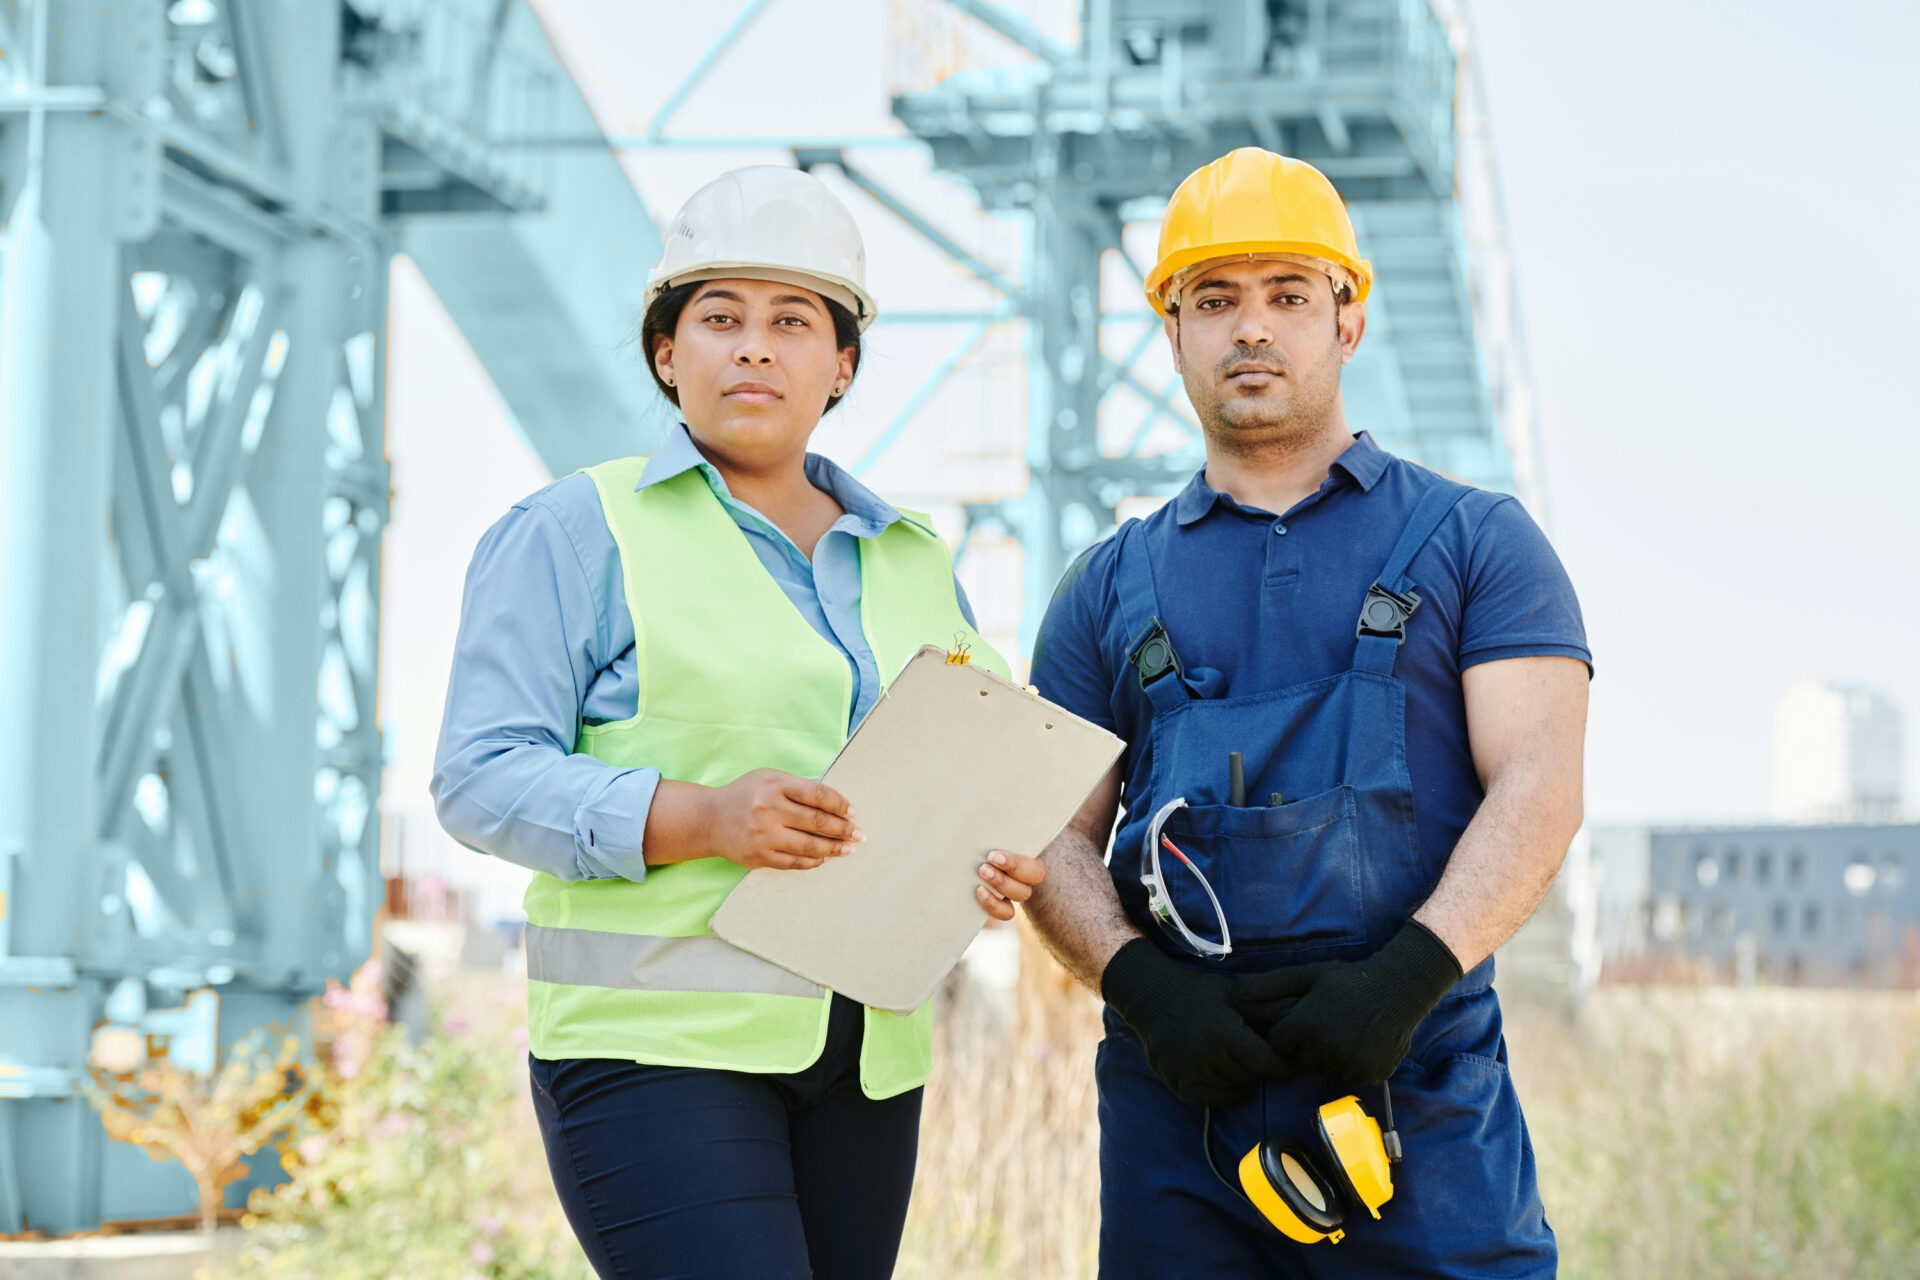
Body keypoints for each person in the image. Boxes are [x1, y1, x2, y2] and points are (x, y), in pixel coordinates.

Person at [430, 165, 1046, 1280]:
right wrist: (700, 816)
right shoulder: (577, 531)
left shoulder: (917, 560)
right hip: (652, 1046)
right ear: (669, 354)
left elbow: (960, 775)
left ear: (842, 363)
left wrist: (982, 864)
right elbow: (477, 775)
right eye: (718, 317)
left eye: (791, 320)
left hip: (868, 1057)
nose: (752, 347)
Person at [1022, 147, 1590, 1277]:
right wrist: (1142, 987)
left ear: (1349, 323)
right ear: (1172, 333)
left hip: (1415, 1078)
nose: (1252, 328)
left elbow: (1541, 788)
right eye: (1214, 299)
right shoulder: (1104, 587)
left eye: (1289, 295)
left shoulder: (1479, 542)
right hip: (1178, 1102)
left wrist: (1407, 978)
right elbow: (1048, 830)